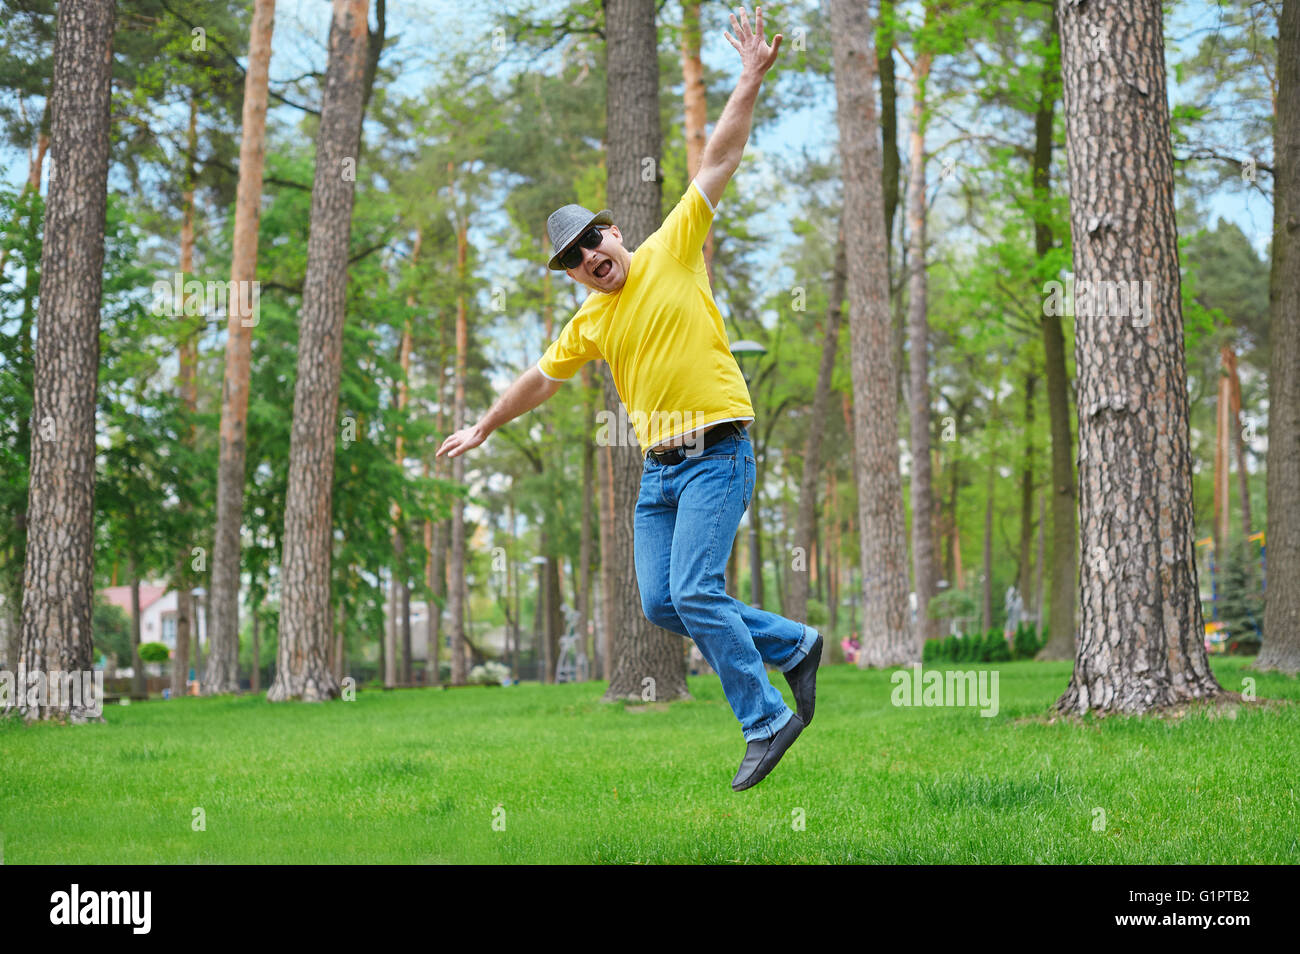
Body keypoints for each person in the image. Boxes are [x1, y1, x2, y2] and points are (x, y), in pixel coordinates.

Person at [437, 5, 820, 792]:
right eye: (574, 259)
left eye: (593, 242)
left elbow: (718, 158)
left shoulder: (672, 248)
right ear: (572, 273)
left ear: (613, 233)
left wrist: (748, 79)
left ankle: (765, 718)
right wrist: (483, 425)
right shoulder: (589, 317)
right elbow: (542, 379)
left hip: (718, 450)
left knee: (694, 591)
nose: (590, 258)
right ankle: (794, 645)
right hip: (660, 476)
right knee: (663, 601)